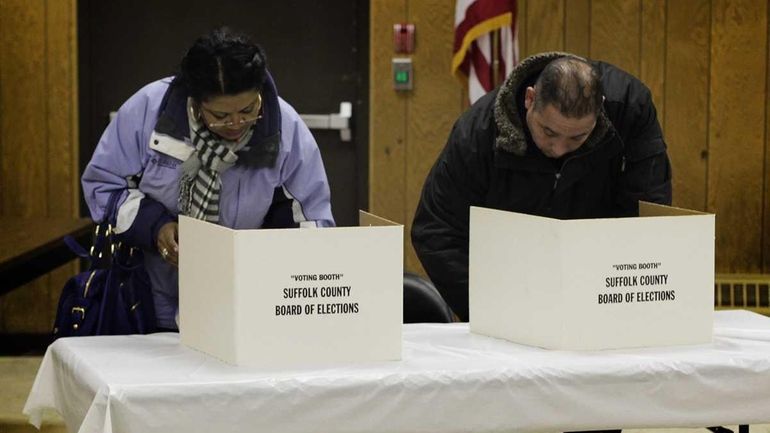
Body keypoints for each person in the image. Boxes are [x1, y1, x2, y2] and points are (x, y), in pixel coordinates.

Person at [82, 27, 335, 331]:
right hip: (147, 299)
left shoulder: (286, 130)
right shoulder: (147, 111)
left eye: (248, 110)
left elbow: (310, 221)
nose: (236, 124)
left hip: (245, 303)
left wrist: (268, 263)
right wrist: (155, 226)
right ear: (195, 101)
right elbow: (104, 186)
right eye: (220, 115)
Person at [412, 52, 672, 322]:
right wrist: (491, 310)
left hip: (597, 282)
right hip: (502, 283)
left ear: (600, 113)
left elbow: (648, 218)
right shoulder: (478, 133)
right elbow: (436, 229)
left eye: (577, 137)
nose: (559, 149)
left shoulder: (630, 110)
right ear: (529, 99)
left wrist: (614, 299)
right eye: (548, 132)